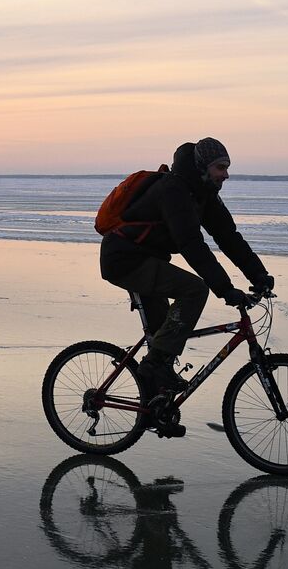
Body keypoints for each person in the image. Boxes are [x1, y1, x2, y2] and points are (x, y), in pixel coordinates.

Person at [99, 137, 274, 395]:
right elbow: (191, 244)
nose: (226, 175)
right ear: (203, 166)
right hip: (125, 260)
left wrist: (258, 273)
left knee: (163, 336)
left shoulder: (205, 194)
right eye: (220, 167)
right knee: (194, 291)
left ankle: (156, 403)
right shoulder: (174, 190)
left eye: (227, 168)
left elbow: (229, 237)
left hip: (149, 260)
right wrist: (225, 289)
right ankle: (155, 367)